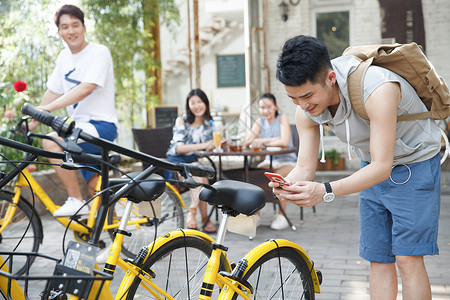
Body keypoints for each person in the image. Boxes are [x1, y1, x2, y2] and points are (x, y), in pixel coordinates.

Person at [273, 35, 441, 299]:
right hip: (370, 169)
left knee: (408, 259)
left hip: (414, 165)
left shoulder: (377, 88)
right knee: (378, 257)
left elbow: (382, 166)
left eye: (307, 95)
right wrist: (289, 185)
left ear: (330, 78)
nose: (303, 106)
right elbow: (305, 166)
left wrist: (325, 190)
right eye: (294, 99)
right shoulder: (305, 109)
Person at [29, 4, 118, 217]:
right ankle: (117, 236)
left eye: (75, 25)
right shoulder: (63, 58)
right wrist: (32, 119)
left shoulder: (99, 52)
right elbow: (52, 91)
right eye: (65, 27)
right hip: (79, 130)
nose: (71, 31)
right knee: (97, 190)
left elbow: (86, 88)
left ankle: (75, 200)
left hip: (101, 127)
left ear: (84, 27)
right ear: (59, 32)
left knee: (51, 141)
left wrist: (48, 109)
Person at [243, 93, 297, 230]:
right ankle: (256, 215)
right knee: (255, 176)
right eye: (262, 107)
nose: (265, 111)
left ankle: (281, 215)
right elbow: (247, 141)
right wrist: (272, 140)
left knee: (277, 176)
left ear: (275, 107)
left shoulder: (282, 118)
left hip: (288, 161)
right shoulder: (260, 122)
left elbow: (284, 141)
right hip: (269, 160)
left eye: (268, 107)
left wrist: (260, 141)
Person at [166, 89, 217, 233]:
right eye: (192, 103)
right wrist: (206, 145)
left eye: (199, 102)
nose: (196, 106)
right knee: (201, 176)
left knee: (202, 176)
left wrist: (216, 144)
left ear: (205, 104)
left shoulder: (208, 124)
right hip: (176, 162)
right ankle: (201, 217)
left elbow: (208, 147)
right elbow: (180, 148)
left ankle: (195, 214)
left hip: (193, 162)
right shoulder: (181, 120)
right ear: (188, 105)